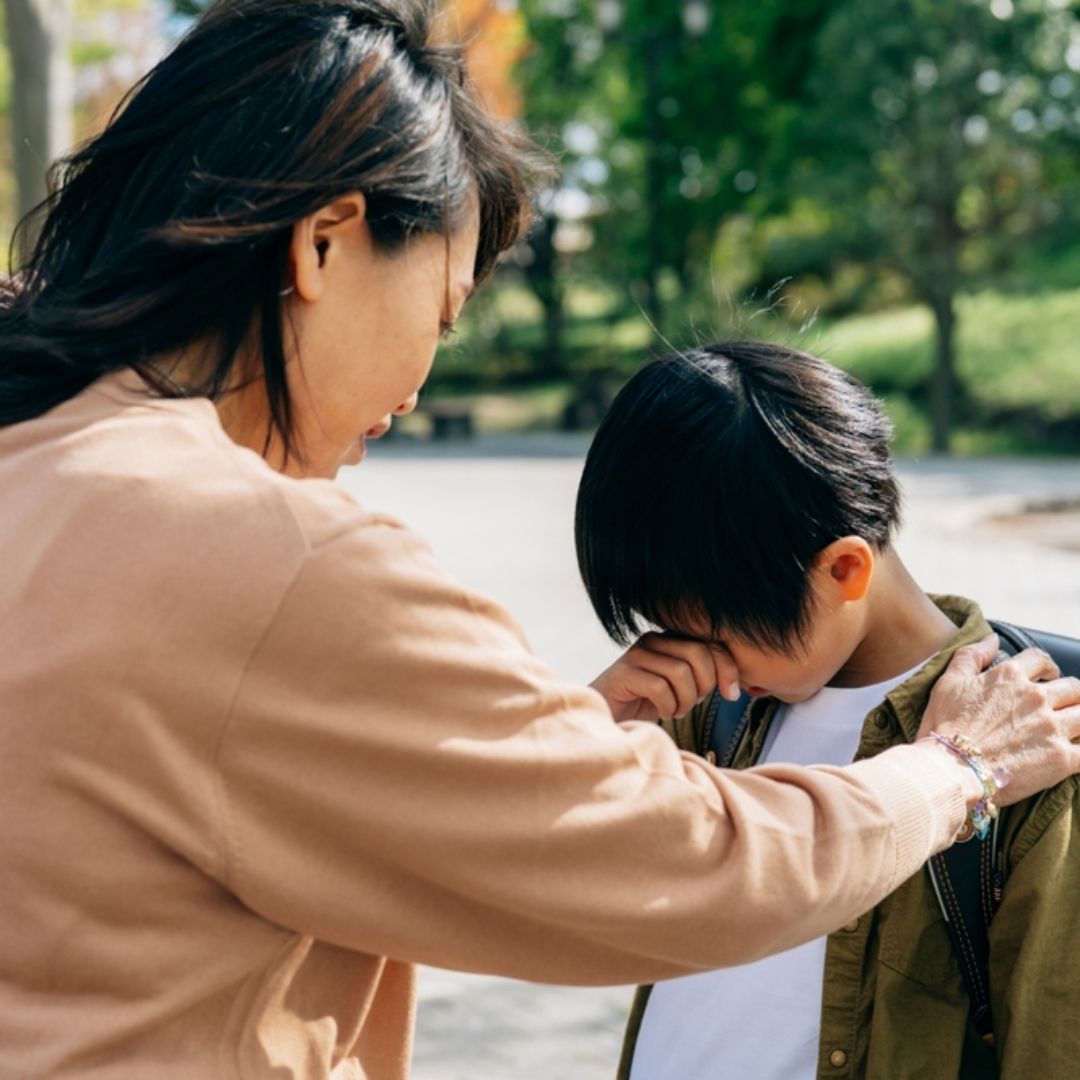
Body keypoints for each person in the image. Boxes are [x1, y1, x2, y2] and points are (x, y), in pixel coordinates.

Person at [0, 3, 1076, 1077]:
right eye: (444, 309)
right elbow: (688, 869)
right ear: (324, 244)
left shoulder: (32, 472)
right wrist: (959, 770)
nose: (420, 385)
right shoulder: (265, 552)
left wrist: (540, 747)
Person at [574, 340, 1080, 1080]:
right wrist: (591, 736)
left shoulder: (1031, 742)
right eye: (664, 626)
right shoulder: (704, 712)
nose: (693, 661)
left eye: (713, 633)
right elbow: (556, 909)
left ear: (844, 569)